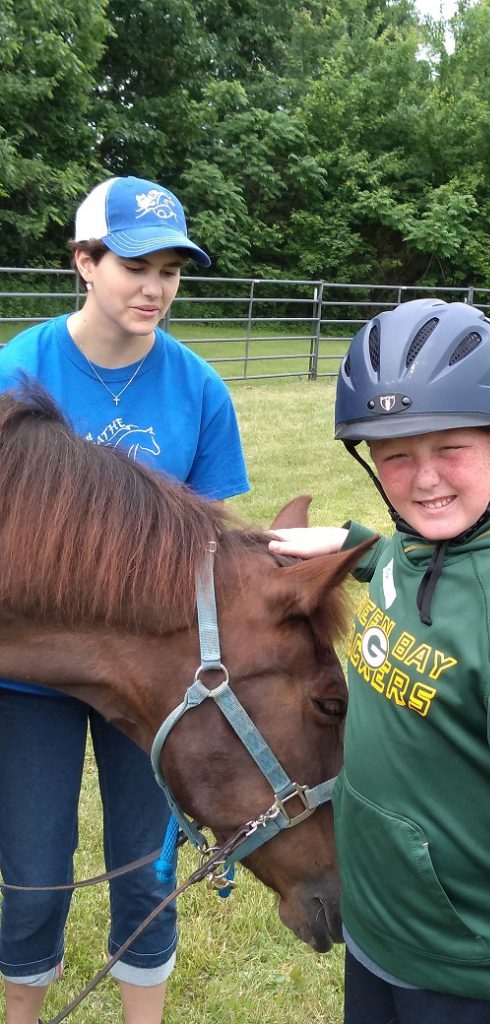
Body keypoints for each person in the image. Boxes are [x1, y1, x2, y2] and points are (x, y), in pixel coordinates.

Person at [268, 299, 490, 1024]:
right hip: (377, 933)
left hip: (465, 974)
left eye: (451, 449)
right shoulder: (417, 544)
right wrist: (353, 541)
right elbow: (414, 561)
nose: (424, 480)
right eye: (395, 456)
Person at [0, 175, 250, 1024]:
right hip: (31, 680)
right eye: (135, 265)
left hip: (150, 679)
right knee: (34, 872)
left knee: (147, 864)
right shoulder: (18, 371)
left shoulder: (200, 391)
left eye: (172, 269)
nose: (154, 287)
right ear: (83, 262)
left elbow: (214, 542)